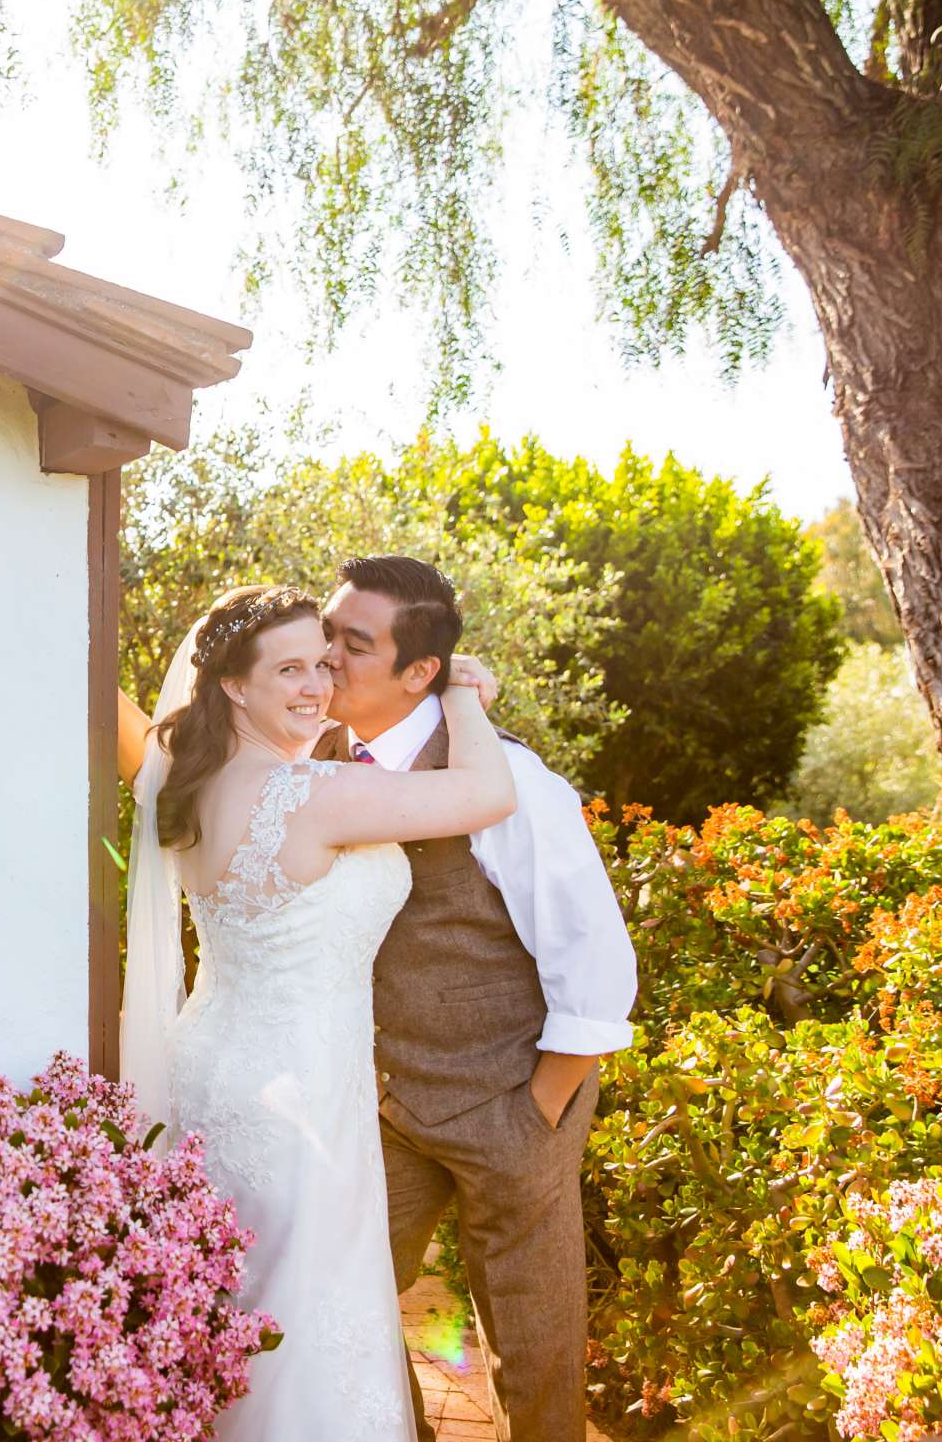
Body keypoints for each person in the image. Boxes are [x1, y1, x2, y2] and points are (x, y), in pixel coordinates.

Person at [122, 582, 518, 1441]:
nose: (317, 684)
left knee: (243, 1317)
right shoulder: (312, 794)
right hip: (299, 1093)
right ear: (232, 684)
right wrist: (460, 691)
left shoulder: (196, 788)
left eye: (325, 664)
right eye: (290, 668)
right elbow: (488, 794)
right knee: (300, 1321)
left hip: (217, 1075)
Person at [319, 555, 637, 1442]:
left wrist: (536, 1110)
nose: (329, 656)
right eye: (327, 632)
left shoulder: (512, 781)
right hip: (391, 1103)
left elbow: (597, 961)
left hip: (510, 1099)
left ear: (419, 672)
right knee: (340, 1304)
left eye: (354, 642)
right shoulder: (316, 761)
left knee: (534, 1351)